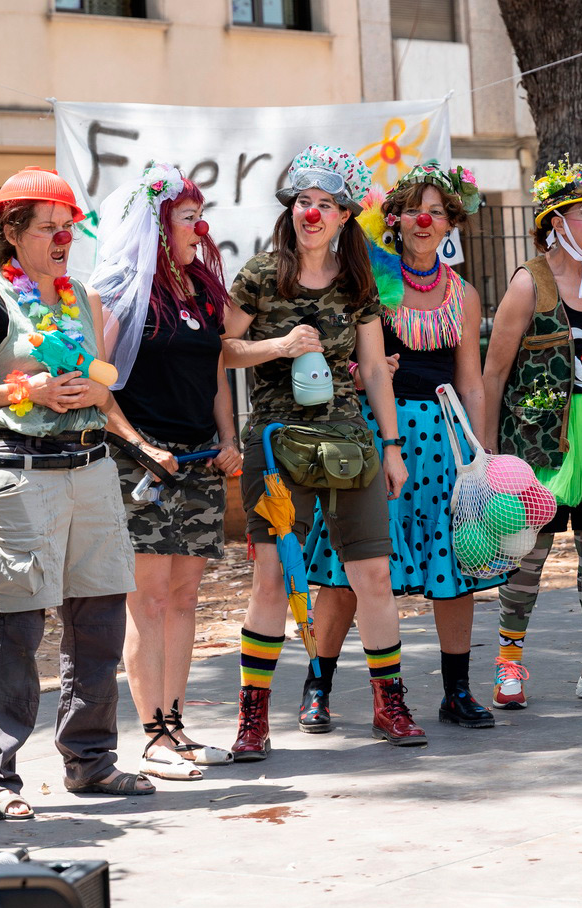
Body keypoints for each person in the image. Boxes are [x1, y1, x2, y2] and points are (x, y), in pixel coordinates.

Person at [0, 166, 147, 813]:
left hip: (92, 467)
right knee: (19, 624)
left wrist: (105, 406)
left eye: (68, 227)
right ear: (11, 230)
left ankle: (92, 761)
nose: (63, 238)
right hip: (22, 475)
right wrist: (22, 388)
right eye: (49, 228)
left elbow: (101, 384)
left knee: (101, 618)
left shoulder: (81, 296)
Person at [223, 143, 422, 758]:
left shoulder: (358, 282)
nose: (312, 213)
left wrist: (392, 447)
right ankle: (253, 718)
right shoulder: (260, 275)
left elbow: (374, 368)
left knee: (374, 576)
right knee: (271, 579)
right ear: (291, 210)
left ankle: (389, 704)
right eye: (303, 201)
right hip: (275, 442)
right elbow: (223, 349)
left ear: (343, 217)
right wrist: (278, 346)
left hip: (348, 444)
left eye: (325, 204)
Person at [303, 161, 497, 730]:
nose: (424, 221)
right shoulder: (369, 280)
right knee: (350, 564)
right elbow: (334, 359)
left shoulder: (463, 294)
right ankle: (318, 687)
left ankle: (456, 691)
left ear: (450, 223)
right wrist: (357, 373)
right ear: (394, 219)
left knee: (454, 564)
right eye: (414, 210)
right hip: (373, 435)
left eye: (436, 212)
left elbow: (471, 381)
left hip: (442, 442)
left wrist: (482, 456)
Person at [91, 162, 244, 781]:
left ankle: (176, 727)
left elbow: (216, 374)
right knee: (148, 600)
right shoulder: (121, 292)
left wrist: (229, 439)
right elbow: (98, 387)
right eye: (187, 216)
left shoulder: (201, 289)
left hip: (200, 461)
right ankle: (153, 737)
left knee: (184, 598)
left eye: (199, 216)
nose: (199, 227)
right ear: (156, 224)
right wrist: (140, 446)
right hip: (141, 468)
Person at [481, 158, 582, 706]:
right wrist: (487, 453)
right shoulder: (529, 282)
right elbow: (493, 373)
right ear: (556, 221)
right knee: (528, 553)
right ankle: (508, 666)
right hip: (540, 440)